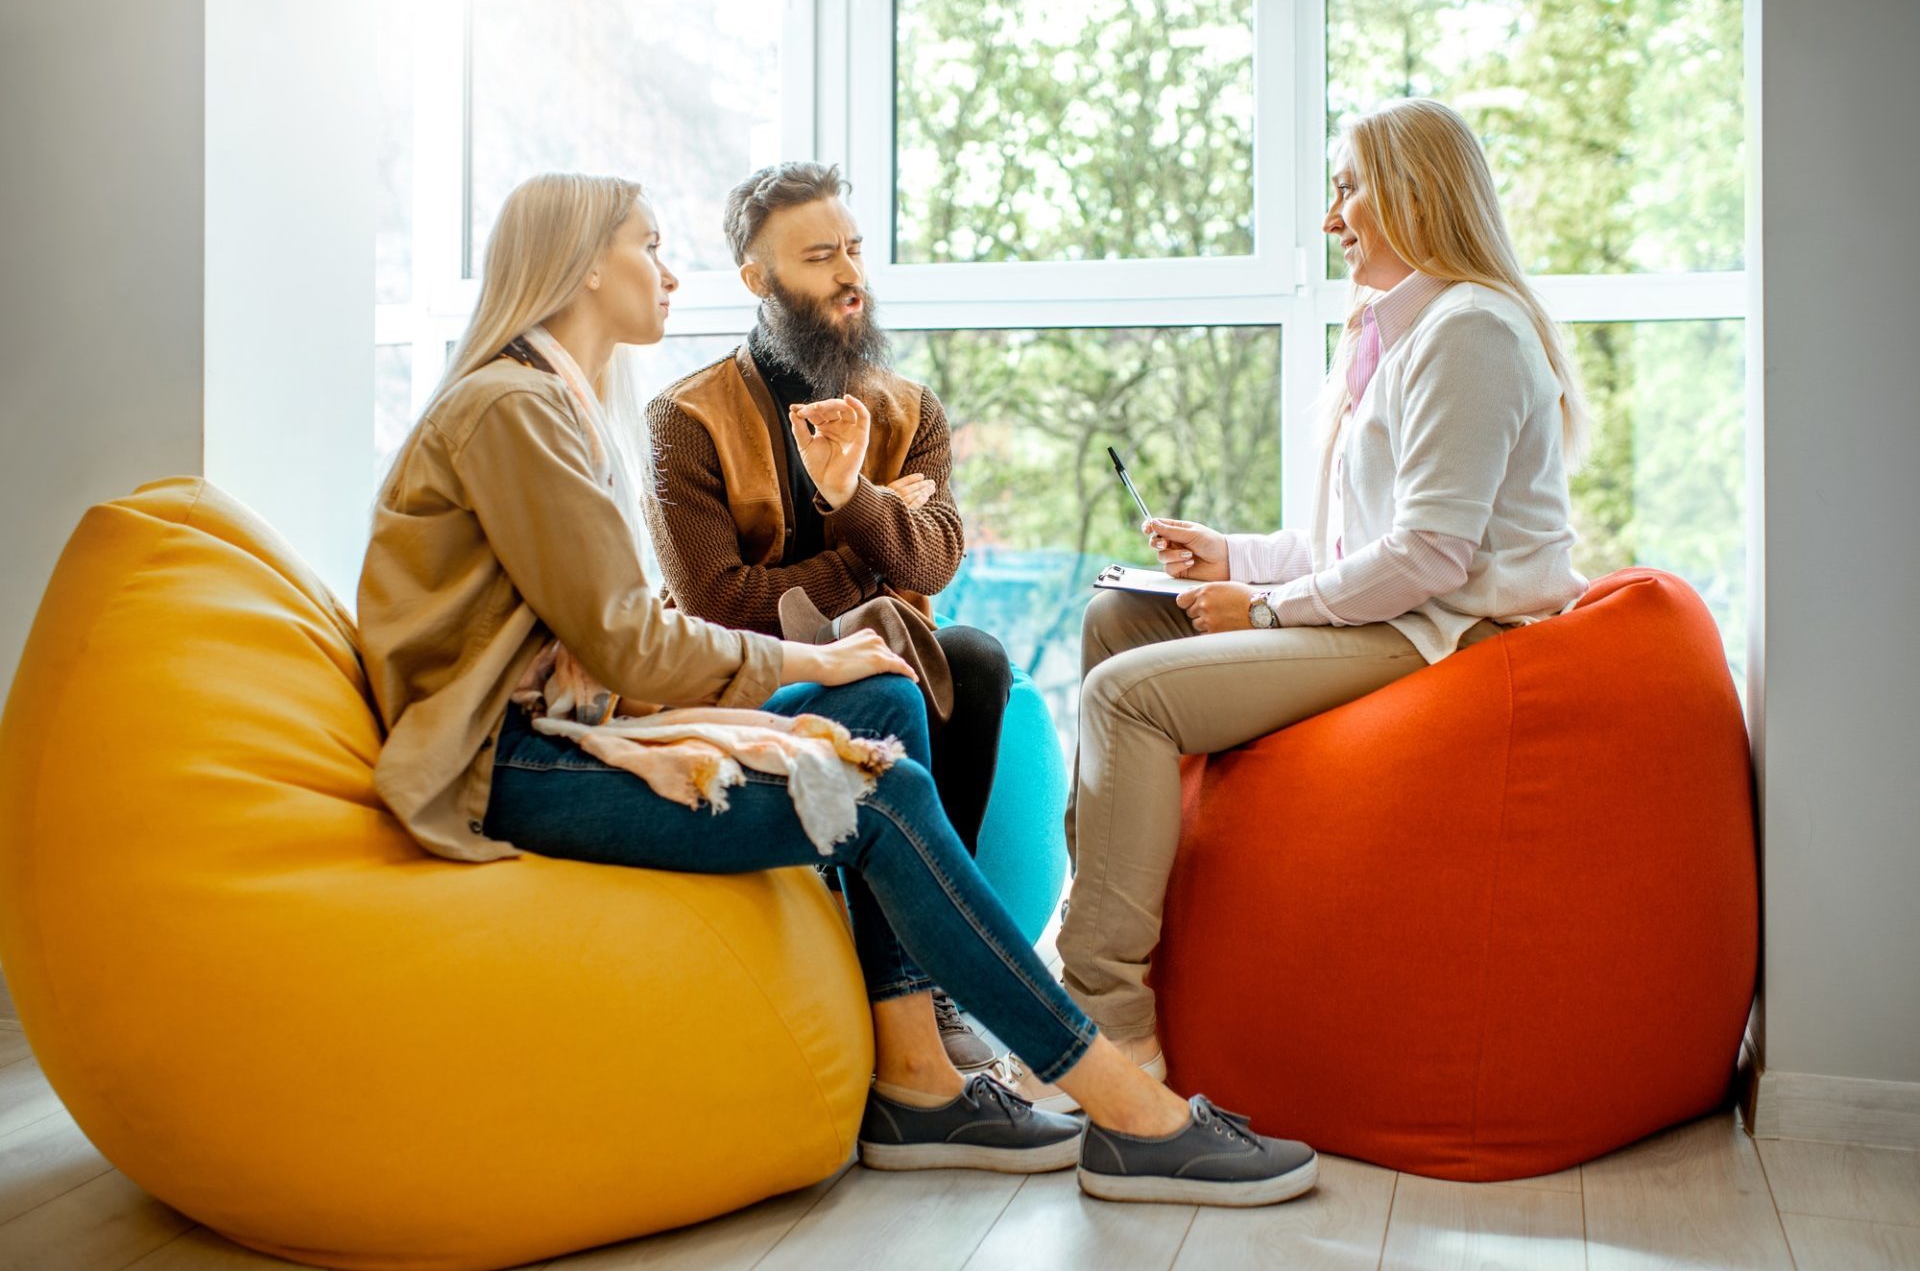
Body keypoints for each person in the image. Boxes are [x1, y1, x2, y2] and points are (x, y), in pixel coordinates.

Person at [356, 170, 1318, 1207]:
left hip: (580, 733)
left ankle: (913, 1080)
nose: (666, 271)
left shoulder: (562, 404)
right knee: (882, 788)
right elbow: (652, 635)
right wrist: (824, 647)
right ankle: (1134, 1112)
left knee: (889, 704)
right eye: (647, 245)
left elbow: (924, 562)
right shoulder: (522, 410)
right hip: (517, 762)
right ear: (585, 264)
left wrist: (849, 555)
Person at [1015, 97, 1592, 1109]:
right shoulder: (1387, 330)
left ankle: (1108, 1024)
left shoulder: (1471, 333)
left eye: (1347, 187)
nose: (1334, 219)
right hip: (1399, 608)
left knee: (1126, 700)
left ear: (1414, 192)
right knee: (1117, 621)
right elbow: (1349, 541)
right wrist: (1226, 557)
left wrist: (1270, 613)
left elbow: (1432, 554)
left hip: (1453, 635)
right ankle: (1117, 920)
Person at [641, 161, 1014, 1072]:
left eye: (853, 249)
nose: (851, 274)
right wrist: (866, 534)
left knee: (971, 658)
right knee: (885, 671)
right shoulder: (683, 418)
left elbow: (932, 563)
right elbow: (716, 604)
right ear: (759, 280)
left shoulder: (910, 408)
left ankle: (930, 977)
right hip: (747, 669)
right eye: (819, 257)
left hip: (885, 651)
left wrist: (849, 493)